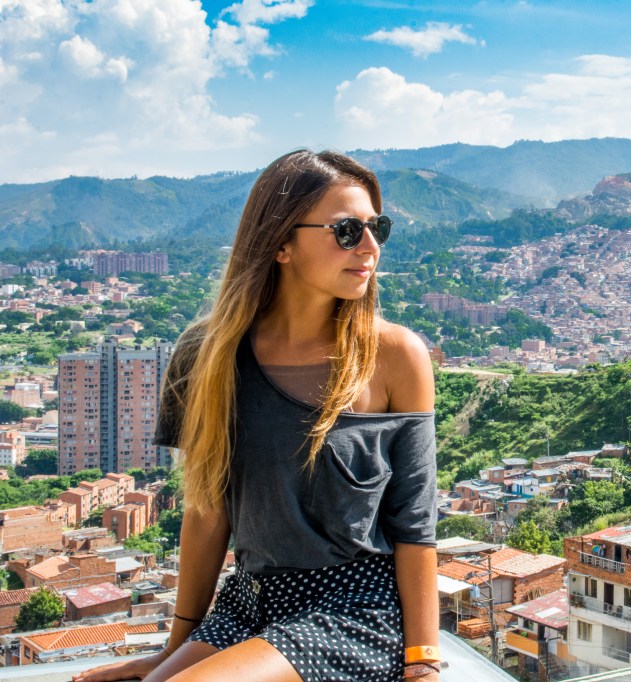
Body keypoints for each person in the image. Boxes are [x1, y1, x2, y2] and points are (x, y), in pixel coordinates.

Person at [75, 150, 441, 682]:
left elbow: (415, 523)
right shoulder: (208, 355)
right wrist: (170, 655)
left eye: (376, 228)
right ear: (280, 244)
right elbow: (207, 511)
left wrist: (423, 662)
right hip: (246, 604)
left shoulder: (395, 356)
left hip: (351, 609)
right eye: (346, 231)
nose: (370, 247)